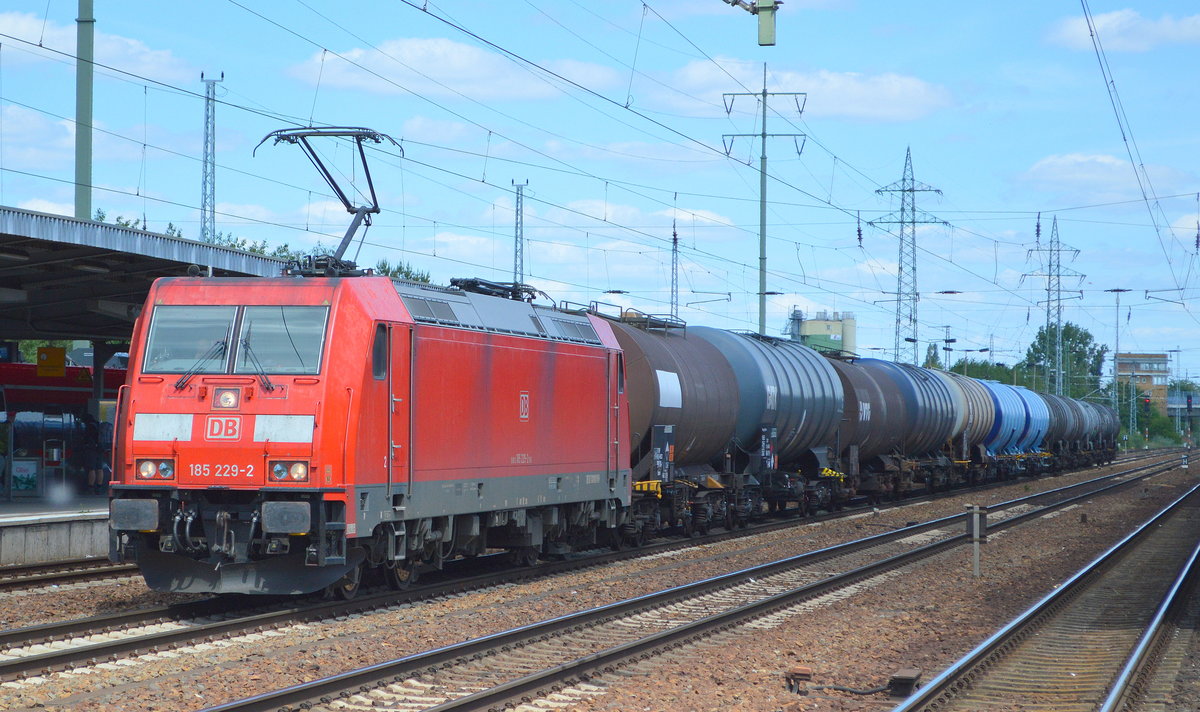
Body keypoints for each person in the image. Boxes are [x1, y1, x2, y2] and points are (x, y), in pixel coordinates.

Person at [80, 413, 105, 495]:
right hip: (100, 449)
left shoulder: (89, 427)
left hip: (92, 449)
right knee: (100, 468)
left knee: (92, 469)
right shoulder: (98, 424)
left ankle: (91, 487)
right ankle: (99, 487)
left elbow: (87, 438)